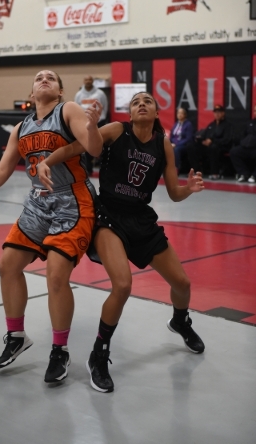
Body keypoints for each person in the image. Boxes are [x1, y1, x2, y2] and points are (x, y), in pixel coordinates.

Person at [37, 91, 205, 394]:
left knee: (183, 283)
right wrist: (47, 160)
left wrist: (188, 189)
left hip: (141, 219)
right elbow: (80, 147)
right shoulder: (116, 130)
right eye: (136, 102)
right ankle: (98, 354)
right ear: (130, 113)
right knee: (123, 285)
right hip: (109, 216)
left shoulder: (163, 145)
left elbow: (173, 193)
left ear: (156, 113)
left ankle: (180, 321)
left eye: (148, 101)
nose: (141, 104)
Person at [0, 69, 103, 383]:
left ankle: (60, 350)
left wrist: (92, 128)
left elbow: (94, 149)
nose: (44, 79)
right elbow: (4, 169)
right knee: (7, 265)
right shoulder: (22, 127)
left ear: (61, 91)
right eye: (39, 77)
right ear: (32, 91)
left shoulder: (68, 110)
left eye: (51, 77)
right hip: (38, 201)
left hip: (72, 200)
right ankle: (16, 336)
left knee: (55, 274)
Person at [187, 105, 232, 180]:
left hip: (220, 147)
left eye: (219, 112)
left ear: (223, 113)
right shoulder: (211, 125)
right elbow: (205, 135)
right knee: (191, 146)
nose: (217, 114)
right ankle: (198, 171)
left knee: (213, 148)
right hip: (208, 147)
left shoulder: (228, 125)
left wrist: (212, 141)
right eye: (215, 112)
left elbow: (227, 140)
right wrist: (202, 140)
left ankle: (215, 173)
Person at [74, 75, 108, 175]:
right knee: (87, 146)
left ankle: (104, 169)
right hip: (85, 123)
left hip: (99, 122)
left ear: (92, 81)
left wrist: (101, 119)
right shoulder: (79, 94)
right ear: (84, 81)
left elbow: (104, 107)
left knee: (102, 146)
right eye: (86, 79)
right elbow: (76, 109)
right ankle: (88, 170)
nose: (88, 81)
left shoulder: (100, 93)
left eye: (90, 79)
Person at [230, 104, 256, 183]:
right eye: (255, 110)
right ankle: (244, 173)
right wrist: (242, 142)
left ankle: (254, 175)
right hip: (246, 146)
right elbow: (243, 135)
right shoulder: (250, 123)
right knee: (234, 152)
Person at [170, 107, 193, 173]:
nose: (179, 115)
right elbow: (172, 136)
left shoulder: (188, 125)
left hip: (183, 145)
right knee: (165, 148)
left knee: (176, 150)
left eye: (181, 113)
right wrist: (169, 143)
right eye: (178, 113)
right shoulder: (176, 124)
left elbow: (188, 138)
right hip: (173, 144)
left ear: (185, 115)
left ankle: (177, 168)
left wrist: (176, 144)